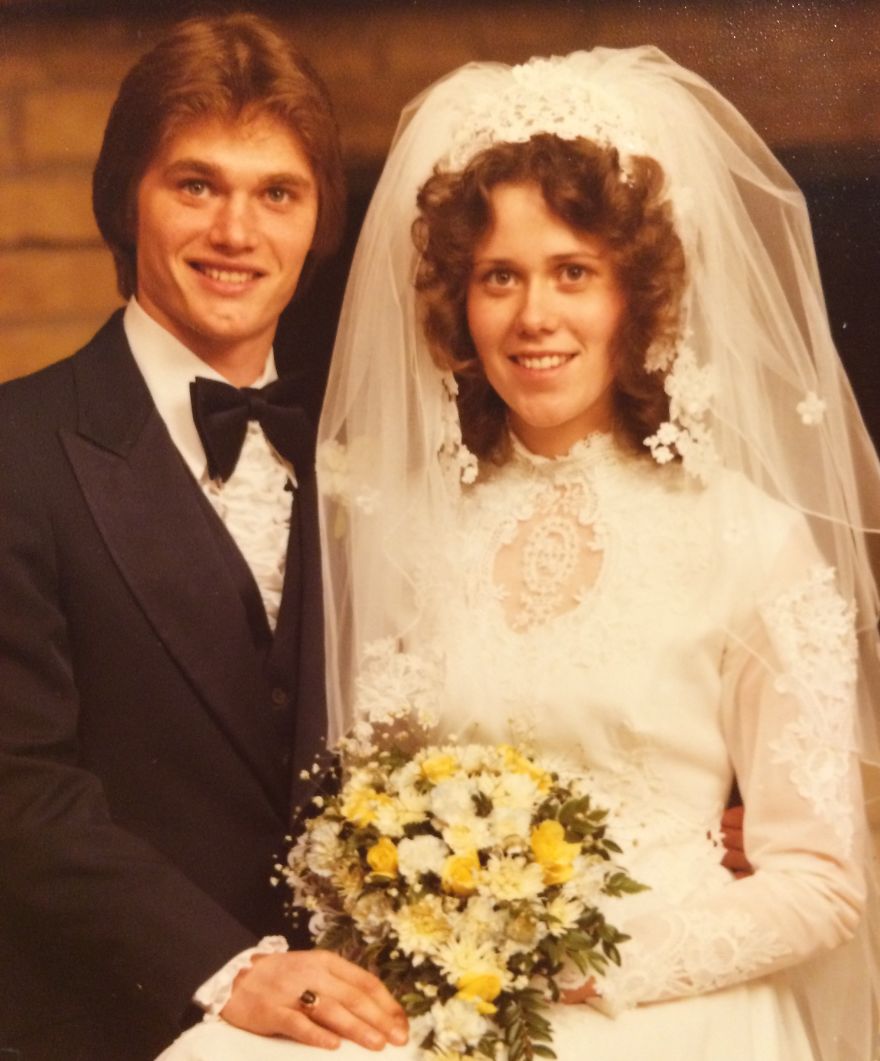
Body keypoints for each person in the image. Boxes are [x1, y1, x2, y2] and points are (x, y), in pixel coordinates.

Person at [158, 47, 880, 1061]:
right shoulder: (399, 523)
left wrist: (583, 958)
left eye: (572, 272)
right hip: (433, 997)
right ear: (461, 300)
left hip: (656, 1010)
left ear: (638, 293)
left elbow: (822, 880)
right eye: (500, 276)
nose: (533, 315)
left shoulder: (747, 537)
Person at [0, 13, 408, 1061]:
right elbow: (19, 786)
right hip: (111, 1020)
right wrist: (232, 971)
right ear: (123, 200)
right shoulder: (18, 447)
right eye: (197, 185)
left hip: (364, 1015)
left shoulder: (368, 454)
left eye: (277, 192)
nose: (238, 232)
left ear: (318, 222)